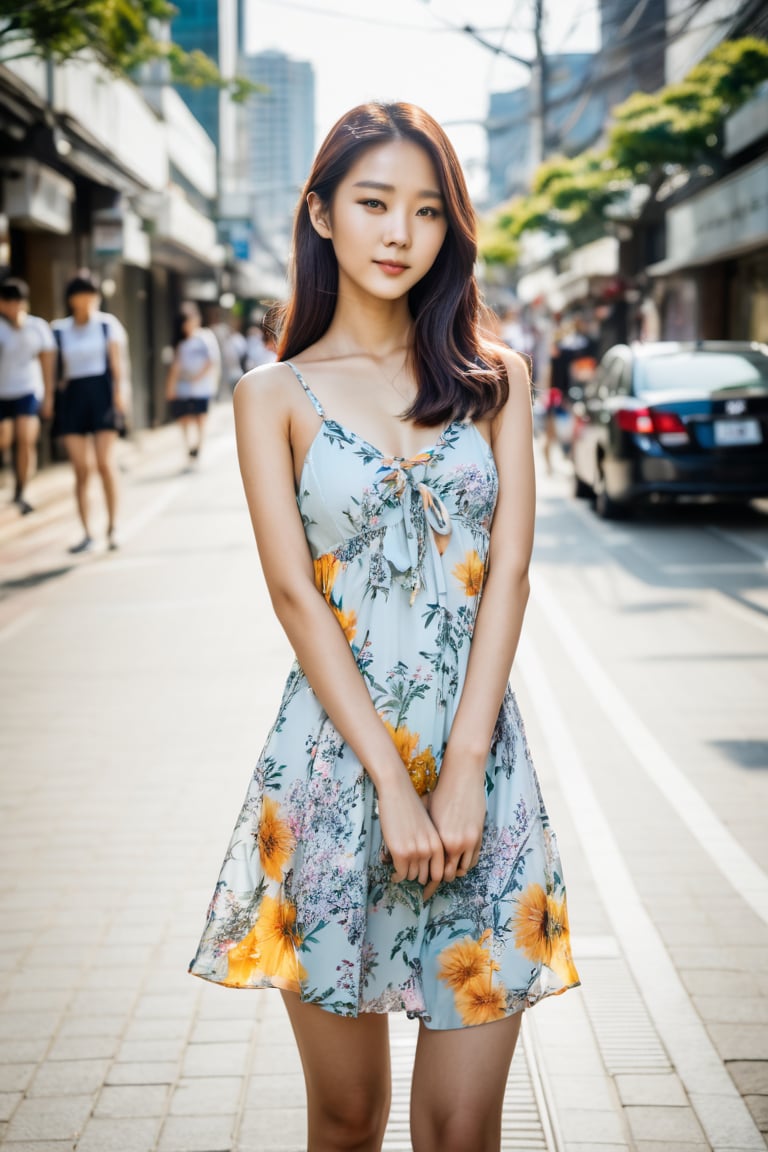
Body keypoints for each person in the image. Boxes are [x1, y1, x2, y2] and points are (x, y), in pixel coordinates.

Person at [188, 102, 579, 1152]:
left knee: (459, 1128)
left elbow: (510, 578)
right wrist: (393, 787)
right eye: (372, 204)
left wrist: (456, 771)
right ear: (320, 213)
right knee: (348, 1117)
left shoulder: (495, 379)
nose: (399, 232)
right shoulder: (270, 394)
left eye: (427, 210)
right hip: (328, 777)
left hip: (479, 780)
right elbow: (294, 598)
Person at [51, 272, 127, 553]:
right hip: (72, 398)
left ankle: (113, 526)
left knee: (105, 464)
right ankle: (86, 532)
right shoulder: (58, 329)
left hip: (102, 396)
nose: (88, 299)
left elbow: (118, 367)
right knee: (81, 469)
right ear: (71, 298)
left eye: (92, 294)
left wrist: (121, 396)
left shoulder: (108, 325)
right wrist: (49, 398)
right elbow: (52, 370)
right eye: (83, 293)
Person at [0, 277, 56, 515]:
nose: (13, 307)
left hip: (28, 390)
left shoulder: (37, 327)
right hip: (3, 392)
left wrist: (49, 395)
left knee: (25, 438)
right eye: (8, 302)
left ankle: (22, 490)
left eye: (17, 302)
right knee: (5, 437)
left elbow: (47, 361)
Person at [165, 302, 221, 467]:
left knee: (200, 419)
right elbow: (175, 367)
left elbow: (212, 360)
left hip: (202, 387)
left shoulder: (205, 337)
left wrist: (199, 376)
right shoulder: (180, 343)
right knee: (184, 418)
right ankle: (189, 447)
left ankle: (198, 446)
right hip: (183, 387)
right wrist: (171, 386)